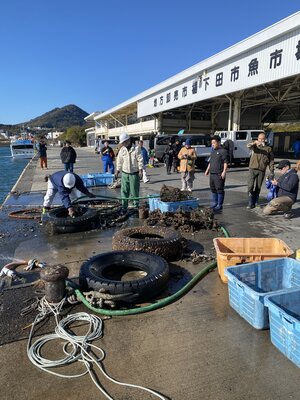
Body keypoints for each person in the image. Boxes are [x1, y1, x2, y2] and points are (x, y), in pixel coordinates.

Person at [115, 132, 143, 210]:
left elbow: (140, 160)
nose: (123, 144)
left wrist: (140, 170)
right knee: (124, 191)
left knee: (134, 191)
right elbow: (119, 161)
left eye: (124, 142)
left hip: (134, 173)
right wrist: (117, 170)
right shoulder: (122, 149)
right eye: (122, 143)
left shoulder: (136, 149)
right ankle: (124, 206)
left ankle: (135, 206)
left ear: (128, 141)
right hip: (125, 173)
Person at [247, 132, 274, 209]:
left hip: (261, 170)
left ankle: (255, 201)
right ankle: (250, 202)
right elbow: (248, 146)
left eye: (262, 139)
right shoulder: (255, 146)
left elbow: (271, 160)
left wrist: (272, 171)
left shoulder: (268, 149)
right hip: (252, 169)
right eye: (260, 139)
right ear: (257, 139)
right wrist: (255, 143)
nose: (261, 140)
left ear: (265, 139)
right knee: (250, 186)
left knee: (258, 187)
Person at [205, 135, 228, 211]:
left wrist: (224, 172)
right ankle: (214, 203)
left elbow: (225, 162)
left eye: (214, 143)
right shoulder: (213, 151)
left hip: (219, 174)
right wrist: (207, 170)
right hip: (212, 173)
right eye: (212, 143)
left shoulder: (223, 151)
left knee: (219, 189)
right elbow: (210, 162)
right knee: (213, 188)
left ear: (218, 142)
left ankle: (219, 204)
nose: (213, 144)